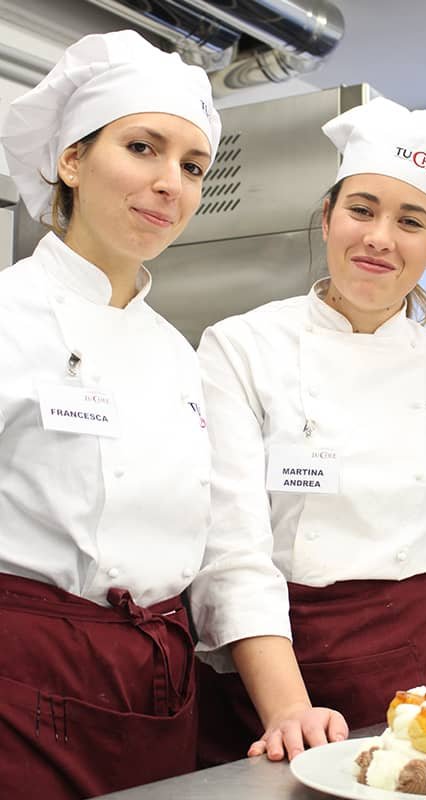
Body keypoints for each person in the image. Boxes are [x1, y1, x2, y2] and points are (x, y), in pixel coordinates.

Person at [0, 30, 348, 798]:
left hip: (157, 685)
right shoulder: (8, 317)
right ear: (71, 160)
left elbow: (225, 543)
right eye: (142, 148)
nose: (170, 183)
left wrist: (287, 709)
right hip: (20, 683)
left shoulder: (178, 355)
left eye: (192, 167)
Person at [191, 96, 426, 766]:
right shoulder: (240, 348)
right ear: (327, 217)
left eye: (410, 221)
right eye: (361, 209)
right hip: (279, 666)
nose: (379, 237)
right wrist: (286, 707)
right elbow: (228, 545)